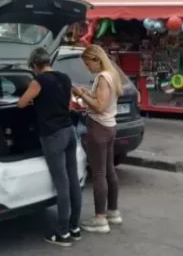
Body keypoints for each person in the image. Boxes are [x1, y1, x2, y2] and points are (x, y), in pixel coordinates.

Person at [17, 48, 82, 247]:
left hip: (53, 135)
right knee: (72, 180)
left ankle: (62, 233)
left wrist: (33, 98)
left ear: (36, 65)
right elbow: (69, 103)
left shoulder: (39, 81)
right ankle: (74, 227)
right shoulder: (64, 78)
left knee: (61, 183)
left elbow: (21, 103)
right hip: (69, 131)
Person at [71, 44, 122, 234]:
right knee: (109, 170)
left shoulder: (102, 77)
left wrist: (82, 95)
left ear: (96, 59)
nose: (87, 68)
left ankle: (100, 218)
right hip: (110, 125)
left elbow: (99, 106)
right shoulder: (113, 74)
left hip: (99, 126)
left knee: (99, 173)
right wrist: (88, 92)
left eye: (87, 63)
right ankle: (113, 212)